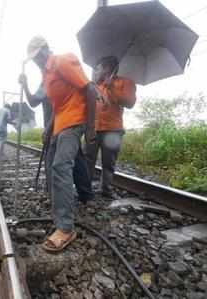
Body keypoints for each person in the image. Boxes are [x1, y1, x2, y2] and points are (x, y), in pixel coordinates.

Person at [26, 36, 100, 252]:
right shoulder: (46, 75)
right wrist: (48, 129)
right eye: (34, 59)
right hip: (59, 124)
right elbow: (58, 107)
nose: (37, 60)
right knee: (58, 164)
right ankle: (78, 198)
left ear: (46, 49)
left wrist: (90, 128)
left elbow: (90, 90)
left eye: (39, 55)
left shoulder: (62, 61)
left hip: (75, 122)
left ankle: (66, 227)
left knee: (60, 166)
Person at [18, 75, 94, 203]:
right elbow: (34, 101)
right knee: (76, 158)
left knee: (54, 161)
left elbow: (42, 103)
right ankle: (85, 194)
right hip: (66, 125)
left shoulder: (55, 79)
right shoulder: (54, 79)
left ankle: (58, 197)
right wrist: (25, 84)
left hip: (62, 125)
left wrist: (48, 127)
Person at [86, 56, 137, 197]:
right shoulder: (95, 85)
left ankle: (106, 189)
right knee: (88, 160)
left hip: (113, 130)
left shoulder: (126, 82)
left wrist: (112, 87)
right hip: (93, 129)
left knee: (109, 162)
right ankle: (85, 189)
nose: (96, 71)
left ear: (108, 68)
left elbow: (130, 103)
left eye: (98, 68)